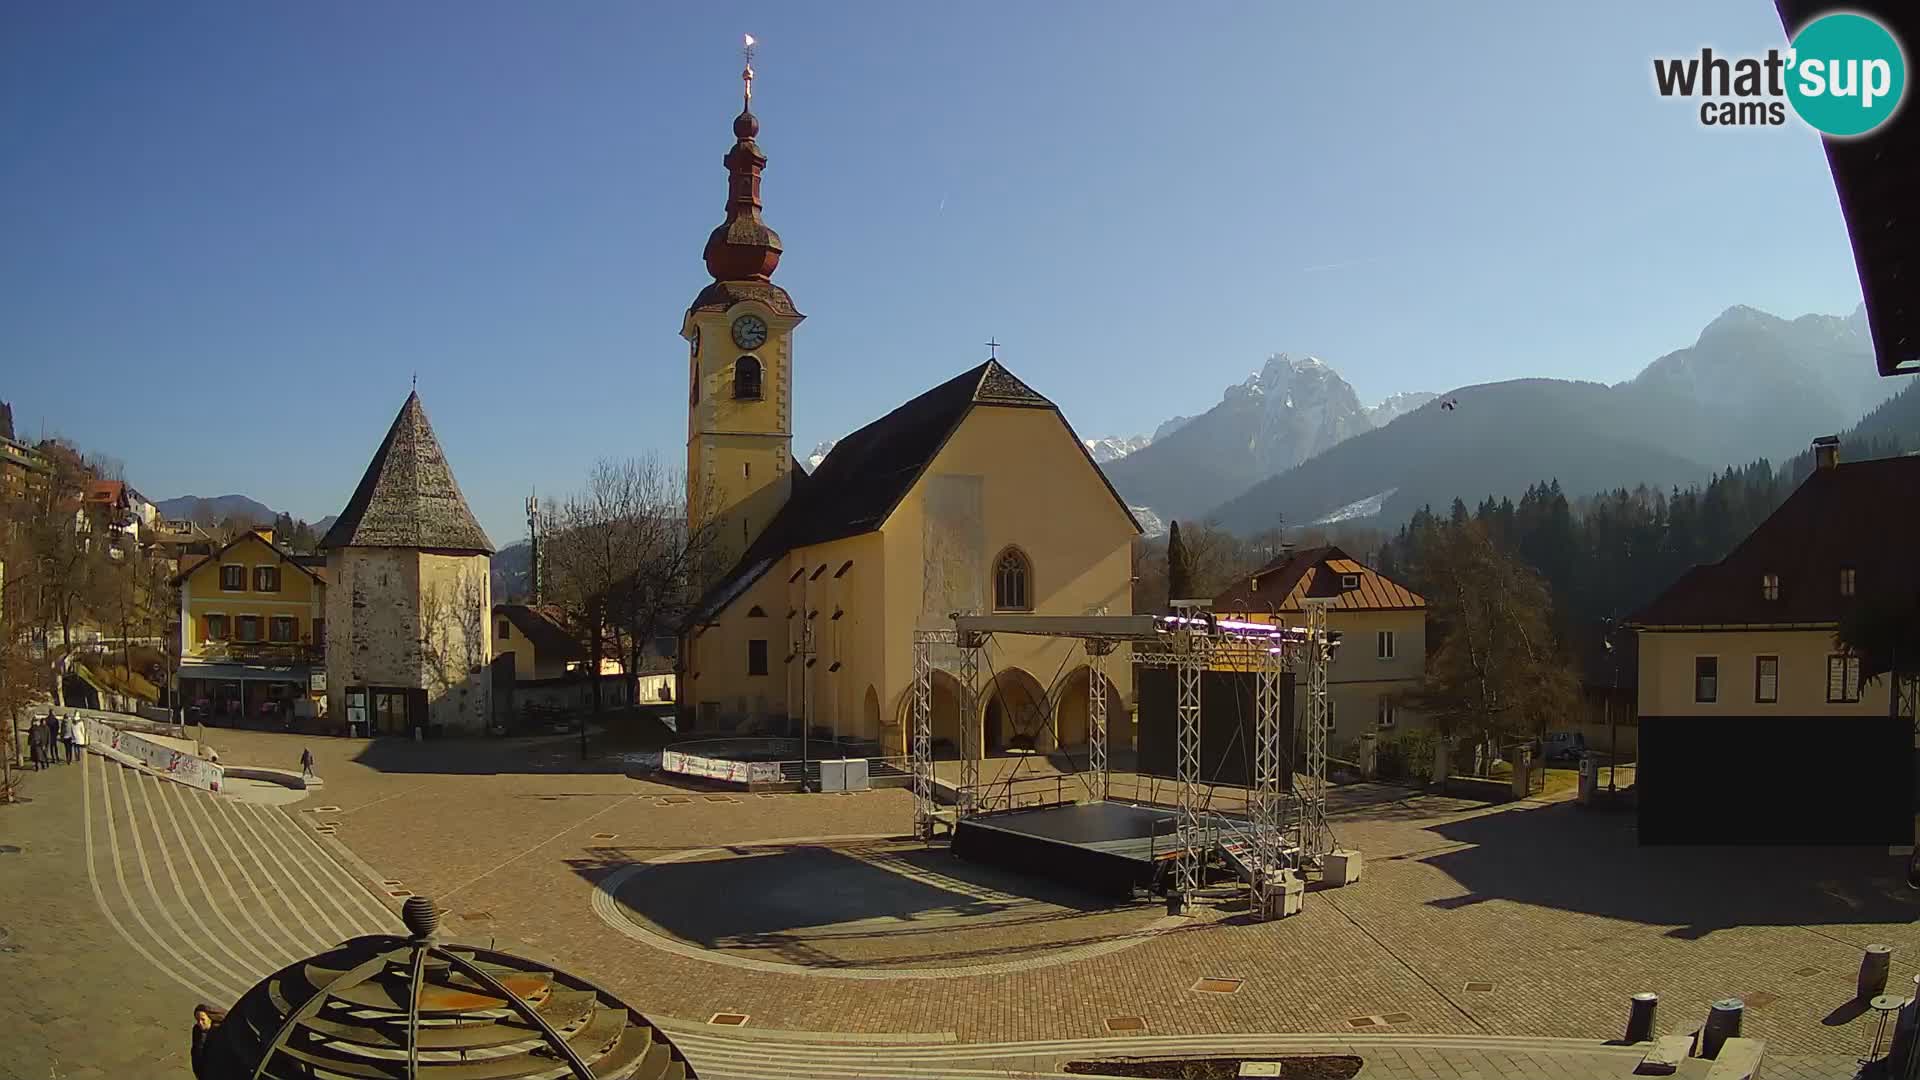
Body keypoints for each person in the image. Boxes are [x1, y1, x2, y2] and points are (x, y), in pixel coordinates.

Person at [190, 1003, 226, 1075]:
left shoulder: (219, 1031)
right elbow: (195, 1051)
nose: (200, 1023)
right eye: (197, 1020)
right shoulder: (197, 1030)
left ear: (210, 1018)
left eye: (203, 1019)